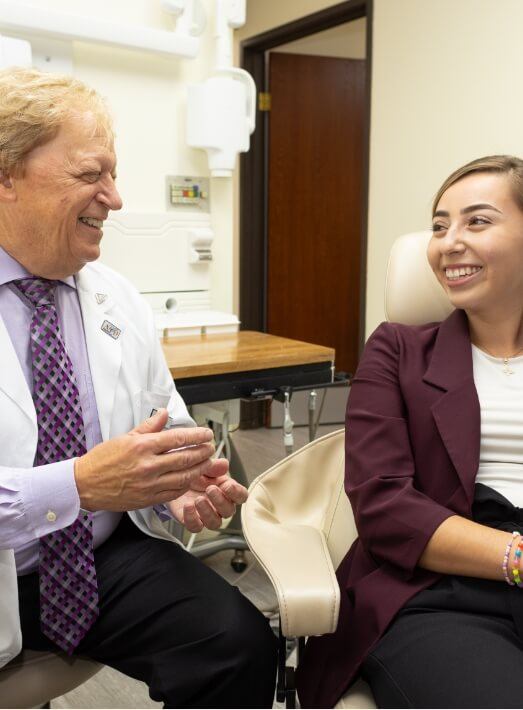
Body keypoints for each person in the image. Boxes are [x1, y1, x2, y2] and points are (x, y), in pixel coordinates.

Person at [0, 68, 276, 708]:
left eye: (114, 175)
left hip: (97, 556)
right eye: (90, 174)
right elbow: (87, 478)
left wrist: (173, 483)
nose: (114, 198)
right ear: (7, 174)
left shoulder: (117, 297)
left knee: (238, 646)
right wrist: (77, 485)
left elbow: (165, 416)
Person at [296, 154, 523, 708]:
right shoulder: (397, 350)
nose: (448, 242)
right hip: (441, 589)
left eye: (477, 221)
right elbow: (383, 507)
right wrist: (516, 557)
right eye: (440, 225)